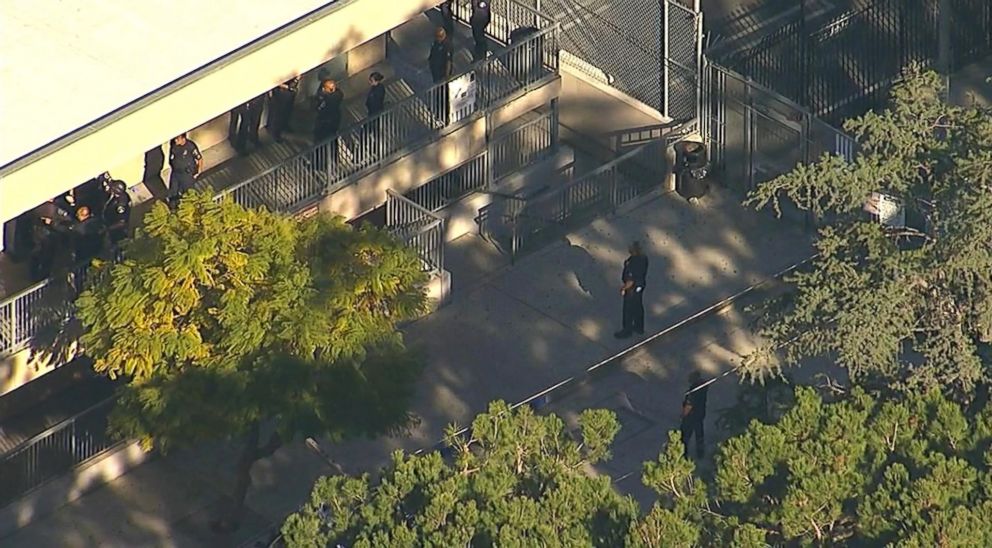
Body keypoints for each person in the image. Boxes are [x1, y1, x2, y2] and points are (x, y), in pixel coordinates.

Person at [614, 241, 649, 339]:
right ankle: (639, 327)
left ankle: (627, 330)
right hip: (640, 286)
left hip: (632, 289)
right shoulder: (643, 258)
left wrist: (624, 288)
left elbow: (630, 279)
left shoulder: (633, 262)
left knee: (628, 310)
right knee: (638, 307)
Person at [312, 79, 344, 173]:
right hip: (334, 122)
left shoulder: (326, 100)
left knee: (320, 144)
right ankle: (335, 160)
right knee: (333, 142)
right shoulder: (338, 95)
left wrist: (322, 96)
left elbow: (318, 108)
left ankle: (319, 165)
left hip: (324, 124)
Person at [168, 133, 203, 208]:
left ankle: (188, 208)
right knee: (173, 191)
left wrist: (198, 171)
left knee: (188, 193)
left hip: (186, 174)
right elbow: (171, 158)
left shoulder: (190, 146)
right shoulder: (174, 145)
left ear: (183, 139)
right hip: (176, 173)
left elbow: (199, 158)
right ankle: (173, 208)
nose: (176, 140)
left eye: (178, 139)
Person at [680, 371, 709, 459]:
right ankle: (700, 452)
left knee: (685, 436)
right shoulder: (703, 388)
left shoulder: (692, 393)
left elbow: (689, 405)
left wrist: (683, 415)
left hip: (690, 416)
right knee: (699, 433)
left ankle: (683, 454)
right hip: (700, 414)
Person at [428, 27, 454, 125]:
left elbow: (448, 61)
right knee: (438, 93)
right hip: (436, 73)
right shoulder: (436, 43)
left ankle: (446, 115)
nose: (437, 38)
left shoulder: (447, 45)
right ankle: (439, 113)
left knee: (445, 95)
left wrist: (446, 77)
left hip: (443, 74)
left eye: (439, 37)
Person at [268, 76, 300, 142]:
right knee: (279, 114)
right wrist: (287, 87)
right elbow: (274, 81)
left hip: (290, 90)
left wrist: (296, 79)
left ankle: (285, 125)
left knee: (287, 110)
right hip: (280, 92)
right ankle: (276, 133)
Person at [102, 178, 132, 247]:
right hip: (108, 221)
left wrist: (108, 229)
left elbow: (122, 222)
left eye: (111, 188)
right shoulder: (117, 196)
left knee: (115, 244)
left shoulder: (121, 204)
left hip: (116, 230)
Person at [365, 72, 386, 139]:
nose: (370, 82)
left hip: (375, 111)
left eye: (371, 80)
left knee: (372, 127)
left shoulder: (379, 89)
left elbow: (376, 100)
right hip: (372, 111)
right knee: (371, 128)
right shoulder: (374, 88)